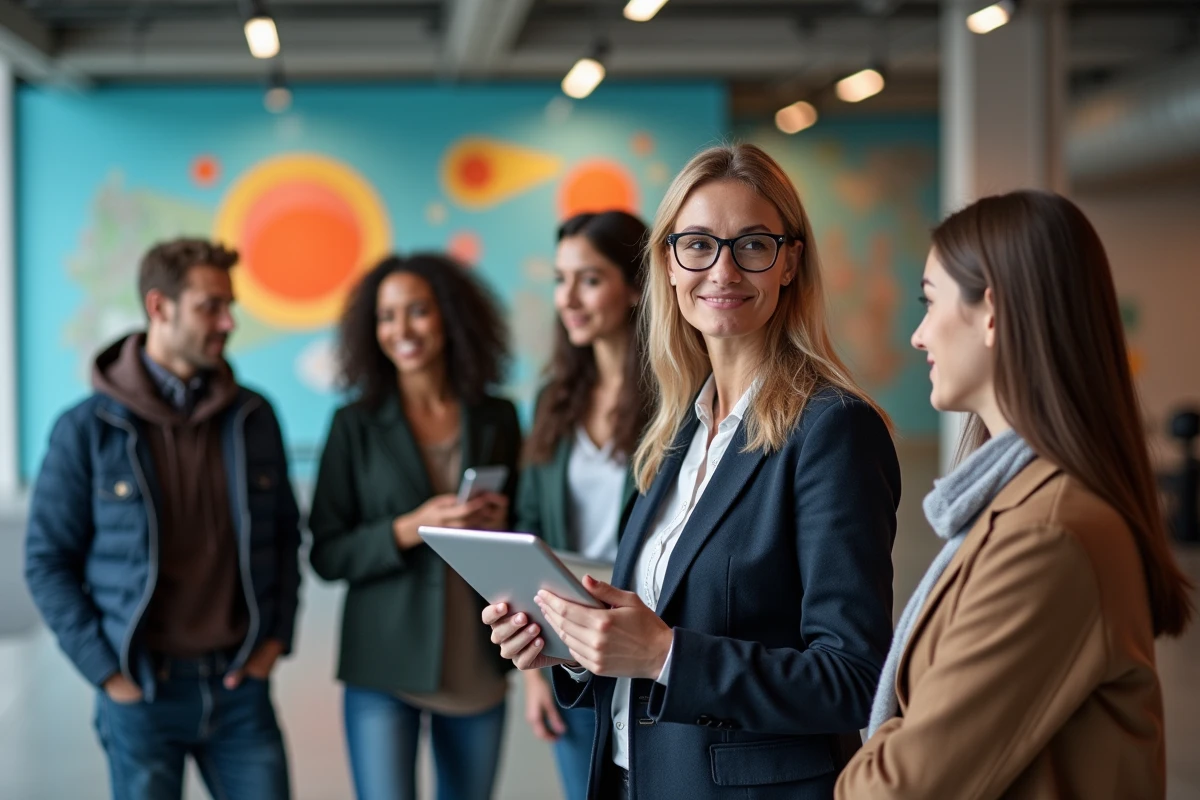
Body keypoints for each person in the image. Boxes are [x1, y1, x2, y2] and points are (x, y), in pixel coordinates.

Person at [485, 143, 901, 799]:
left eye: (753, 245)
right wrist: (571, 645)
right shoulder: (679, 426)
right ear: (668, 265)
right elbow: (649, 629)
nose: (723, 270)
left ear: (790, 262)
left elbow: (855, 679)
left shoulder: (833, 428)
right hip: (635, 779)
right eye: (699, 245)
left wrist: (664, 654)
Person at [836, 190, 1195, 798]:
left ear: (992, 312)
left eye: (930, 302)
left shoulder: (1047, 535)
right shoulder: (1024, 505)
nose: (919, 336)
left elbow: (899, 790)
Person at [24, 238, 302, 800]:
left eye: (230, 306)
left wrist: (273, 642)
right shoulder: (86, 428)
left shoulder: (254, 416)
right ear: (159, 307)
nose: (228, 322)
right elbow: (46, 562)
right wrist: (108, 673)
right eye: (210, 306)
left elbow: (285, 538)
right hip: (142, 692)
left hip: (240, 687)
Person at [308, 253, 521, 800]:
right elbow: (327, 554)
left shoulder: (497, 416)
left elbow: (525, 528)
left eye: (418, 311)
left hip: (477, 662)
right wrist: (408, 528)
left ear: (450, 316)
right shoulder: (353, 424)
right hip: (383, 664)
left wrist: (500, 523)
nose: (400, 330)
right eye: (386, 316)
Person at [516, 211, 650, 800]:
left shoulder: (679, 396)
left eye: (589, 279)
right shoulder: (553, 399)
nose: (567, 298)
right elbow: (530, 527)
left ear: (635, 287)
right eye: (560, 279)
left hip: (646, 640)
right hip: (568, 647)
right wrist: (536, 670)